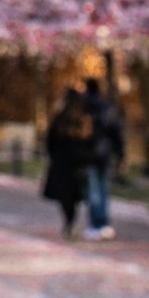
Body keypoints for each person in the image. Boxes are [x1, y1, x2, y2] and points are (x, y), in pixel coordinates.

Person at [42, 87, 92, 240]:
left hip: (62, 160)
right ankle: (71, 221)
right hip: (77, 161)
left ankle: (69, 222)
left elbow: (50, 139)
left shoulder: (59, 117)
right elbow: (89, 140)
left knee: (65, 194)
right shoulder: (82, 118)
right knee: (74, 194)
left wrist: (52, 155)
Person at [81, 77, 124, 241]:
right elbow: (116, 131)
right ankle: (104, 223)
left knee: (93, 190)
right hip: (106, 153)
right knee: (104, 189)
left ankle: (95, 224)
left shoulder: (84, 106)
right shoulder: (107, 106)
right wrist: (120, 153)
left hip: (89, 153)